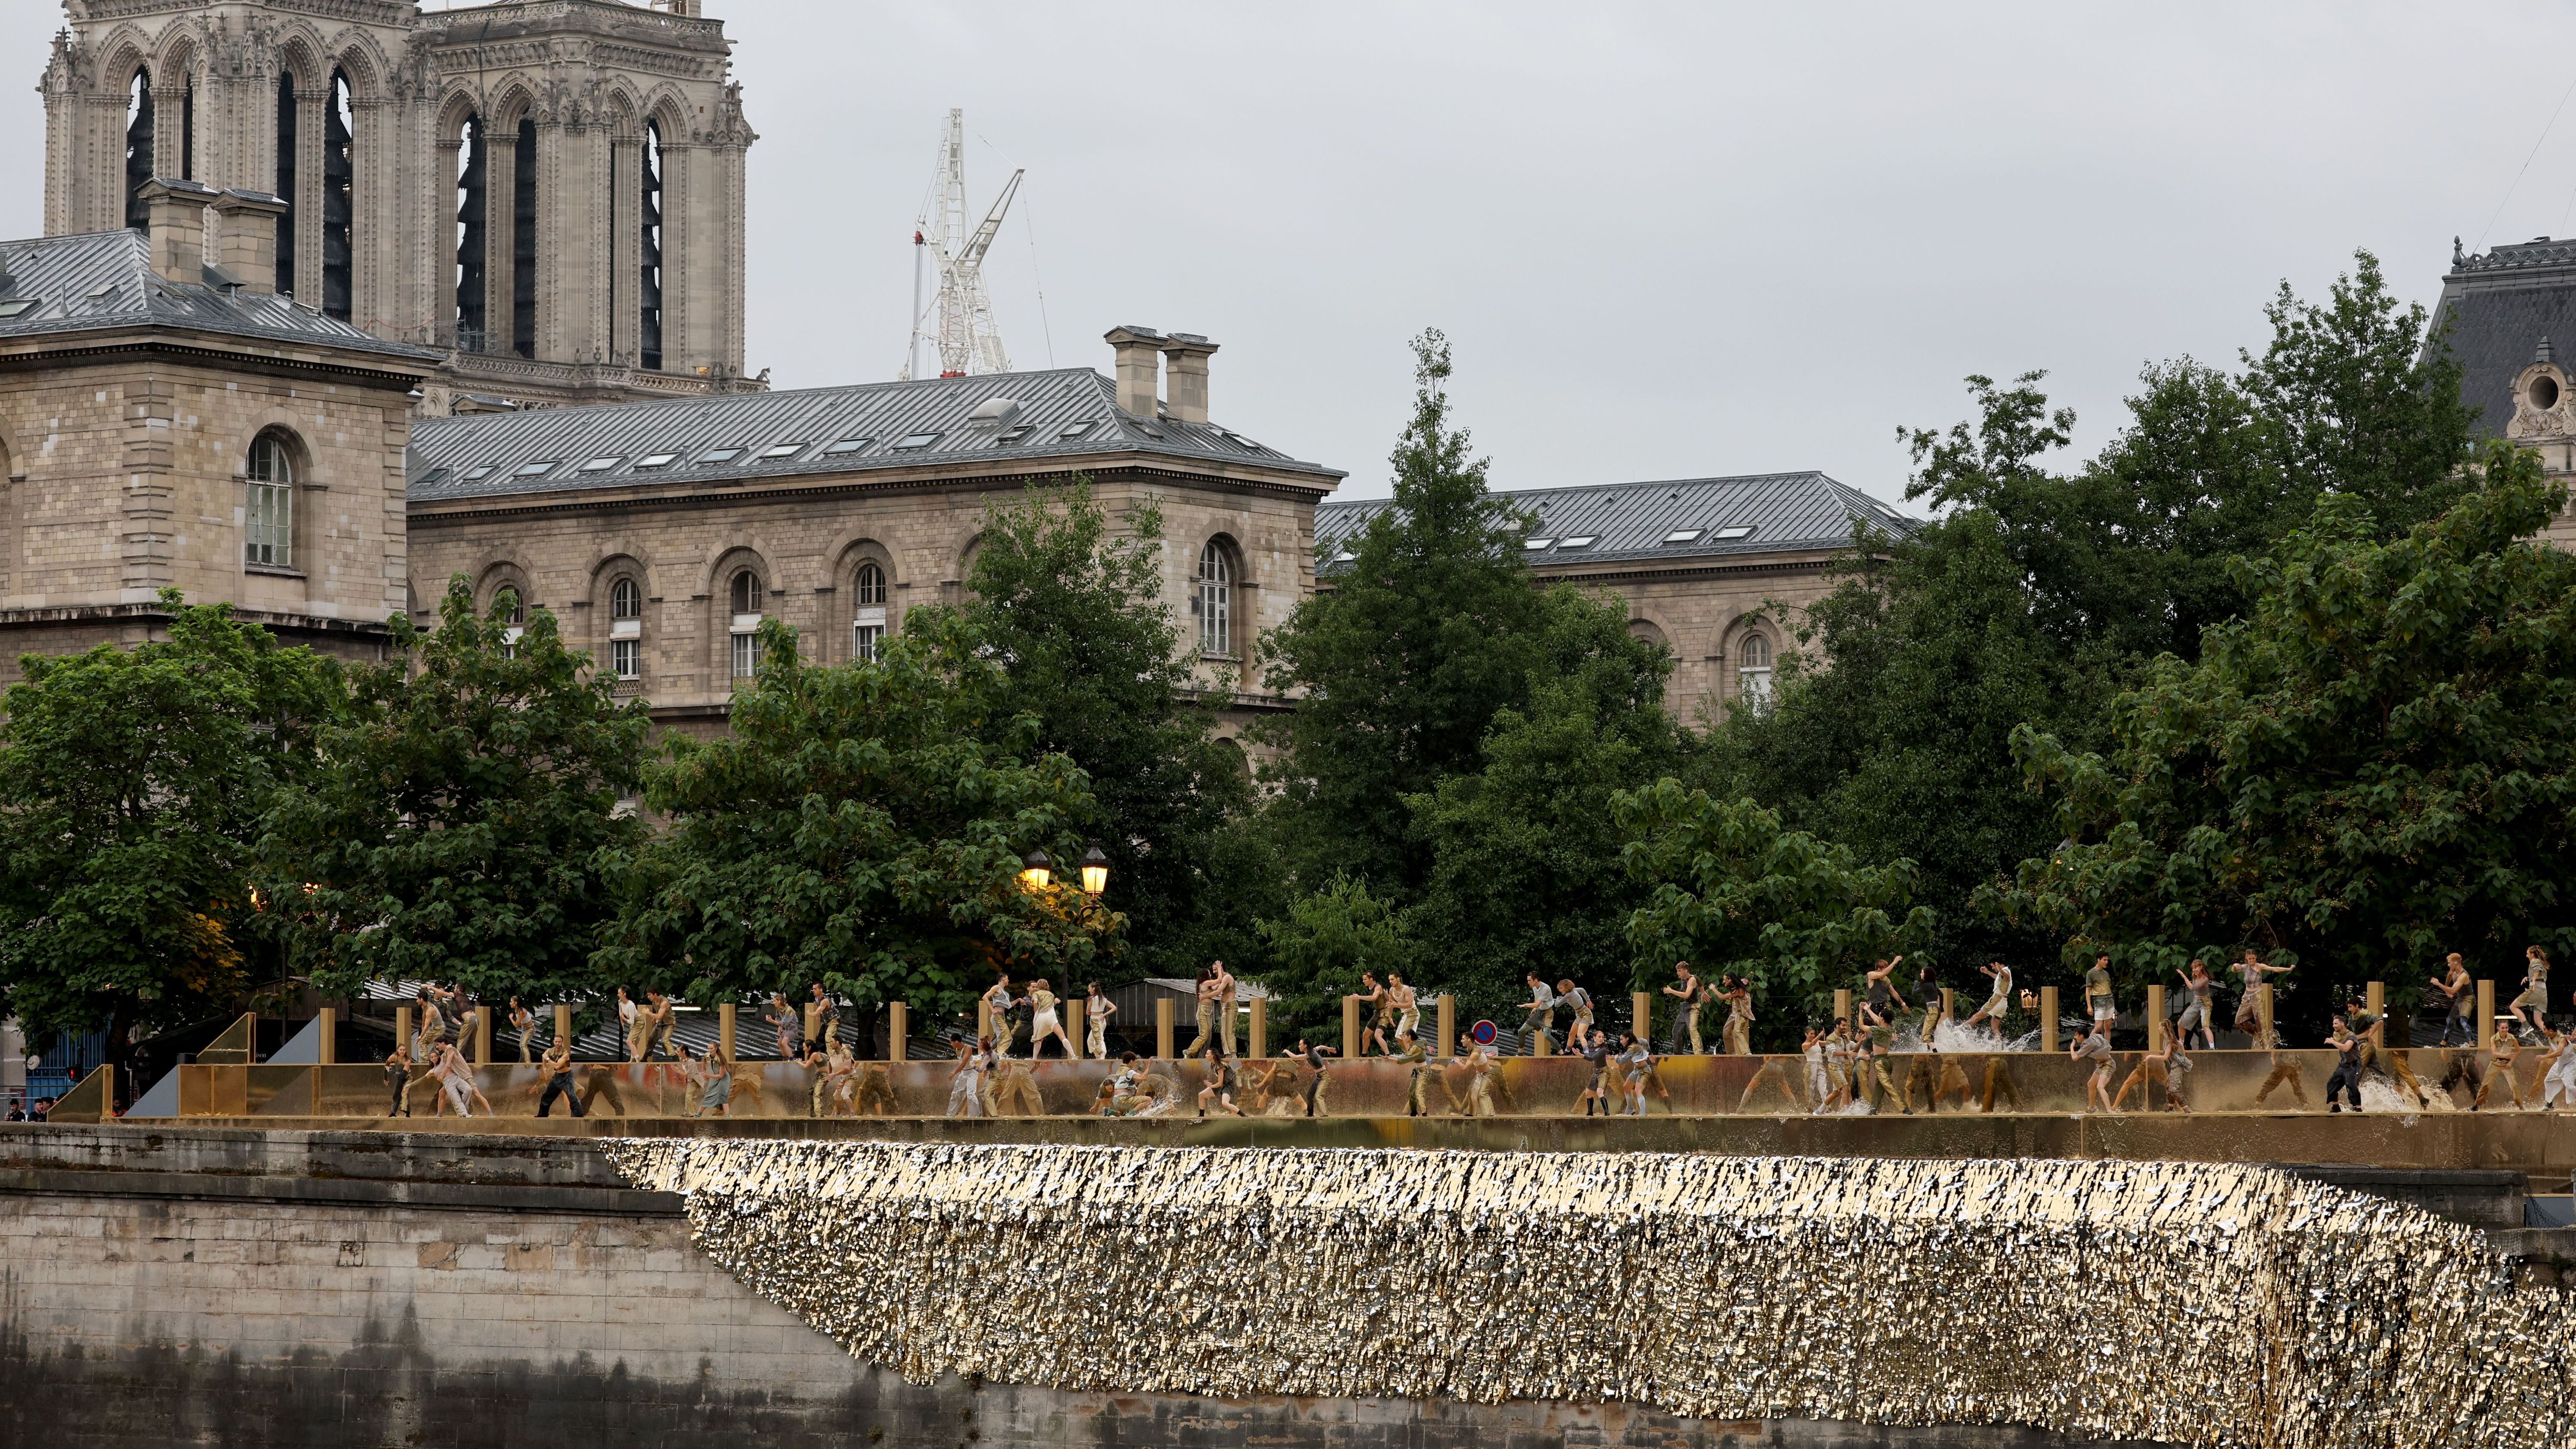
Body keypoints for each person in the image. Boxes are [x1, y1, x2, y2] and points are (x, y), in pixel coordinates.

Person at [2251, 1013, 2310, 1109]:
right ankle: (2305, 1104)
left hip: (2284, 1063)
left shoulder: (2279, 1031)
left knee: (2268, 1085)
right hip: (2292, 1063)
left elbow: (2274, 1045)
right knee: (2297, 1086)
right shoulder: (2293, 1031)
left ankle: (2258, 1105)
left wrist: (2273, 1058)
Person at [2230, 950, 2292, 1038]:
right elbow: (2234, 970)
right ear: (2246, 958)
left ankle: (2265, 1041)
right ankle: (2256, 1034)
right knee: (2239, 1020)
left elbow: (2275, 969)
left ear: (2256, 958)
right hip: (2247, 996)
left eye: (2253, 958)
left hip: (2257, 995)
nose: (2252, 961)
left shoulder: (2259, 967)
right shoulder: (2245, 967)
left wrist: (2289, 969)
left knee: (2260, 1021)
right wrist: (2234, 966)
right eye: (2250, 959)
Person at [2476, 1019, 2528, 1111]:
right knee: (2485, 1085)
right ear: (2498, 1028)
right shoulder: (2494, 1038)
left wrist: (2510, 1062)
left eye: (2506, 1028)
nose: (2505, 1030)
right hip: (2496, 1063)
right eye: (2503, 1028)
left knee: (2514, 1086)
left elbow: (2518, 1050)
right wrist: (2505, 1055)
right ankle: (2476, 1106)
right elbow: (2494, 1053)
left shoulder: (2512, 1038)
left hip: (2507, 1064)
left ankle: (2520, 1106)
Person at [2070, 1019, 2115, 1115]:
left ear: (2082, 1036)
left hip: (2108, 1064)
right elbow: (2097, 1029)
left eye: (2076, 1035)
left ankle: (2110, 1111)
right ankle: (2091, 1108)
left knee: (2100, 1086)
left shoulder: (2087, 1044)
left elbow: (2074, 1058)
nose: (2075, 1037)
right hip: (2101, 1065)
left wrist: (2071, 1048)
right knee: (2091, 1084)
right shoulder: (2092, 1036)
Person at [2430, 954, 2477, 1047]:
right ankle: (2444, 1043)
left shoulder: (2463, 976)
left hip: (2468, 998)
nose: (2448, 965)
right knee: (2450, 1020)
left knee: (2463, 1020)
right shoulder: (2454, 971)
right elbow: (2449, 975)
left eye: (2450, 963)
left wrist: (2438, 984)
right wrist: (2447, 988)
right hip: (2460, 998)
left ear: (2456, 963)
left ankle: (2472, 1044)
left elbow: (2453, 991)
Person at [2173, 960, 2217, 1052]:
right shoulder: (2194, 976)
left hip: (2205, 1003)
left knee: (2205, 1026)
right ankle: (2181, 1045)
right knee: (2180, 1024)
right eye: (2193, 968)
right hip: (2196, 1002)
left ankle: (2212, 1047)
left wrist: (2183, 976)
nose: (2194, 970)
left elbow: (2193, 988)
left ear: (2201, 967)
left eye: (2196, 968)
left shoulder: (2205, 979)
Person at [2323, 1016, 2365, 1113]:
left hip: (2354, 1065)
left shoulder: (2351, 1036)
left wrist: (2332, 1042)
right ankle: (2336, 1107)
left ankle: (2358, 1108)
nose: (2334, 1026)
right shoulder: (2336, 1034)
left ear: (2343, 1024)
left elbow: (2346, 1048)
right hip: (2344, 1064)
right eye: (2333, 1024)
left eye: (2336, 1024)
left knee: (2351, 1085)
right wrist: (2333, 1040)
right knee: (2332, 1084)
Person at [1026, 978, 1076, 1060]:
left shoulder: (1036, 994)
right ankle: (1073, 1056)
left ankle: (1034, 1058)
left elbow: (1035, 1003)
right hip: (1051, 1016)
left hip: (1041, 1017)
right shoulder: (1051, 994)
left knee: (1039, 1039)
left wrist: (1036, 1013)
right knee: (1062, 1037)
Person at [535, 1037, 583, 1118]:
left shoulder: (565, 1054)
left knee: (572, 1096)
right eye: (556, 1042)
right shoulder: (550, 1051)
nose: (557, 1043)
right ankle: (542, 1115)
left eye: (559, 1042)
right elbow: (544, 1056)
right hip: (557, 1076)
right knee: (546, 1095)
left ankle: (578, 1116)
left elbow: (557, 1066)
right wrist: (544, 1067)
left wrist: (548, 1059)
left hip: (567, 1076)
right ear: (554, 1042)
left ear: (562, 1043)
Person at [1662, 962, 1704, 1055]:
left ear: (1686, 970)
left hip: (1693, 1008)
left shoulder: (1691, 980)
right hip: (1685, 1007)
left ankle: (1699, 1053)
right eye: (1677, 971)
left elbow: (1686, 995)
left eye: (1680, 971)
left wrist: (1672, 991)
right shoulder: (1685, 978)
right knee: (1676, 1030)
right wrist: (1703, 993)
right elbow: (1700, 982)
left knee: (1692, 1029)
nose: (1678, 973)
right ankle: (1678, 1053)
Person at [1289, 1037, 1337, 1117]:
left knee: (1318, 1096)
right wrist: (1327, 1049)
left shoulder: (1310, 1055)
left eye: (1300, 1045)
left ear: (1305, 1046)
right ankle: (1310, 1114)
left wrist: (1286, 1051)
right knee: (1309, 1095)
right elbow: (1321, 1046)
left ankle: (1324, 1116)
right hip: (1319, 1077)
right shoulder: (1313, 1050)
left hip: (1325, 1077)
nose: (1299, 1046)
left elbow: (1294, 1057)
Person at [1964, 961, 2013, 1037]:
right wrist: (1987, 972)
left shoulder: (2005, 971)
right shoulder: (2005, 972)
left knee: (1976, 1017)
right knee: (1994, 1028)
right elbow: (1999, 978)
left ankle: (1957, 1029)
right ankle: (2000, 1048)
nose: (1993, 968)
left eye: (1993, 966)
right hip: (2003, 1003)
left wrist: (2000, 969)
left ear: (1997, 964)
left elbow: (2007, 977)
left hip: (1997, 1000)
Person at [945, 1037, 991, 1118]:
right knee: (956, 1093)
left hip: (971, 1073)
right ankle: (950, 1115)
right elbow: (962, 1065)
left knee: (970, 1094)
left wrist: (954, 1073)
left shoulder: (968, 1048)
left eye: (951, 1042)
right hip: (964, 1073)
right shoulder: (957, 1050)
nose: (951, 1045)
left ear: (956, 1041)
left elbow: (963, 1063)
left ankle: (975, 1116)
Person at [2513, 946, 2552, 1039]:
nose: (2527, 956)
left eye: (2528, 954)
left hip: (2535, 990)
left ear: (2532, 955)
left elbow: (2537, 970)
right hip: (2543, 993)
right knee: (2538, 1021)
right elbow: (2540, 975)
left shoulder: (2535, 961)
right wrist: (2529, 978)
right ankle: (2557, 1037)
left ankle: (2526, 1027)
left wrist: (2533, 981)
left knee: (2513, 1007)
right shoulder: (2541, 962)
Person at [1182, 965, 1222, 1058]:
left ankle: (1202, 1056)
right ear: (1205, 976)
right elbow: (1219, 980)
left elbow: (1217, 987)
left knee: (1209, 1037)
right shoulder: (1205, 983)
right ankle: (1189, 1052)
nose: (1211, 974)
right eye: (1209, 973)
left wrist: (1223, 977)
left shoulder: (1208, 985)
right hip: (1203, 1012)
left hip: (1209, 1012)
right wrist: (1219, 969)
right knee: (1204, 1035)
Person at [1394, 1030, 1436, 1117]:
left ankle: (1424, 1113)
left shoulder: (1415, 1048)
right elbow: (1424, 1041)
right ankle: (1414, 1112)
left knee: (1419, 1093)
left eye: (1405, 1036)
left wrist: (1389, 1059)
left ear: (1410, 1037)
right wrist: (1427, 1047)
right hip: (1417, 1070)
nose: (1403, 1038)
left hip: (1424, 1071)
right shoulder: (1418, 1042)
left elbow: (1406, 1058)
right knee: (1411, 1091)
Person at [1578, 1032, 1618, 1116]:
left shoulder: (1603, 1049)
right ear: (1594, 1037)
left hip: (1604, 1072)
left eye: (1602, 1037)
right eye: (1599, 1037)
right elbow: (1587, 1053)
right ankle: (1590, 1113)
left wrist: (1580, 1055)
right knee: (1588, 1094)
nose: (1601, 1039)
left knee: (1600, 1092)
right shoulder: (1590, 1046)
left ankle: (1607, 1114)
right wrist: (1580, 1052)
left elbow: (1591, 1058)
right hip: (1596, 1071)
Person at [1519, 974, 1557, 1055]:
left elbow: (1537, 1004)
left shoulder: (1545, 988)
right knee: (1521, 1031)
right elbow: (1539, 1002)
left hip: (1547, 1013)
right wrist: (1536, 1008)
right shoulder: (1534, 987)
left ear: (1536, 980)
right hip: (1539, 1011)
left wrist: (1526, 1005)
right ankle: (1520, 1053)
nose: (1528, 982)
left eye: (1530, 980)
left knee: (1547, 1035)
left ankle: (1562, 1053)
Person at [1358, 971, 1393, 1056]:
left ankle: (1388, 1055)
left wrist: (1359, 997)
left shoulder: (1378, 988)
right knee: (1366, 1034)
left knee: (1377, 1035)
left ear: (1371, 979)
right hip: (1377, 1013)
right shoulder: (1375, 987)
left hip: (1384, 1014)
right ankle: (1364, 1056)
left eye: (1365, 979)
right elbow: (1389, 998)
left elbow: (1374, 998)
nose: (1364, 981)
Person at [1719, 976, 1754, 1056]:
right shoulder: (1735, 989)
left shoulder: (1740, 991)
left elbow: (1722, 997)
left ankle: (1746, 1052)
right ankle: (1731, 1053)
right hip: (1735, 1013)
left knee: (1737, 1031)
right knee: (1726, 1031)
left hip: (1743, 1013)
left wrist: (1713, 989)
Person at [1211, 961, 1241, 1058]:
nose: (1214, 972)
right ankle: (1227, 1054)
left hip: (1231, 1006)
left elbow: (1219, 991)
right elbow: (1213, 988)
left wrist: (1205, 996)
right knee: (1223, 1032)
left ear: (1221, 968)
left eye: (1216, 969)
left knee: (1229, 1031)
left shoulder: (1227, 977)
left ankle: (1233, 1054)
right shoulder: (1221, 979)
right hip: (1224, 1007)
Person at [2082, 955, 2116, 1036]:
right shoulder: (2091, 973)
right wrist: (2089, 1006)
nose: (2107, 962)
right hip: (2099, 1000)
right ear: (2099, 960)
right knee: (2098, 1027)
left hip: (2109, 999)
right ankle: (2088, 1045)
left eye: (2107, 960)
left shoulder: (2106, 973)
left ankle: (2107, 1047)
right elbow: (2088, 990)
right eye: (2104, 960)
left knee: (2108, 1027)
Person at [1559, 980, 1596, 1052]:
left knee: (1580, 1034)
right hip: (1579, 1015)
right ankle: (1567, 1052)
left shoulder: (1568, 995)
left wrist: (1557, 998)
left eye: (1561, 988)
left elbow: (1557, 1005)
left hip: (1585, 1014)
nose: (1560, 990)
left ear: (1566, 988)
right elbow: (1582, 990)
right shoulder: (1573, 990)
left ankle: (1587, 1053)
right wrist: (1588, 1000)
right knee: (1572, 1034)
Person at [1084, 982, 1116, 1060]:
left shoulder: (1091, 999)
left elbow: (1087, 1012)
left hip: (1096, 1020)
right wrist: (1104, 1014)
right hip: (1100, 1020)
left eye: (1090, 988)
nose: (1089, 990)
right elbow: (1114, 1008)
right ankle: (1098, 1056)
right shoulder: (1103, 999)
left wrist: (1103, 1015)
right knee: (1090, 1041)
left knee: (1099, 1038)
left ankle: (1102, 1054)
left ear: (1094, 989)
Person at [765, 992, 800, 1061]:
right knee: (779, 1043)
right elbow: (778, 1018)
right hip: (786, 1029)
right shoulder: (779, 1009)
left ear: (779, 1001)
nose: (773, 1003)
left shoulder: (789, 1010)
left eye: (775, 1001)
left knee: (784, 1043)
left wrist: (771, 1021)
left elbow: (784, 1023)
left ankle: (792, 1058)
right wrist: (780, 1027)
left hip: (792, 1029)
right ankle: (786, 1058)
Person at [1388, 972, 1420, 1046]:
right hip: (1406, 1014)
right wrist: (1390, 1017)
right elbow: (1390, 1005)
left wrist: (1397, 1005)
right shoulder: (1391, 990)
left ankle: (1412, 1054)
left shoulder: (1406, 989)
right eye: (1390, 980)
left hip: (1413, 1013)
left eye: (1392, 979)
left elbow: (1409, 1005)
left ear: (1398, 979)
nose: (1391, 982)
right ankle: (1407, 1053)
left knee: (1405, 1035)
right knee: (1398, 1037)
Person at [382, 1049, 412, 1118]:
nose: (402, 1051)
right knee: (396, 1095)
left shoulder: (407, 1060)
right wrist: (385, 1078)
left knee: (405, 1093)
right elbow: (386, 1066)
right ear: (398, 1050)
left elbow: (403, 1074)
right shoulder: (393, 1057)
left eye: (404, 1050)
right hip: (400, 1078)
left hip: (408, 1078)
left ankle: (407, 1113)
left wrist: (391, 1071)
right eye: (401, 1050)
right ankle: (393, 1113)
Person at [619, 987, 646, 1063]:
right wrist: (622, 1022)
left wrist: (623, 1018)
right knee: (633, 1042)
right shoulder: (620, 1002)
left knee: (629, 1041)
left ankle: (638, 1060)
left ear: (625, 994)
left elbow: (631, 1022)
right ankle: (632, 1059)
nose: (618, 995)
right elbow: (620, 1012)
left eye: (620, 993)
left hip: (638, 1022)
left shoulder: (630, 1004)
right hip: (634, 1022)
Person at [509, 997, 537, 1064]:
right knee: (521, 1045)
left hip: (530, 1029)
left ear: (516, 1003)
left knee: (523, 1045)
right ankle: (521, 1062)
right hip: (525, 1029)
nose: (510, 1003)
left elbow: (516, 1025)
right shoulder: (517, 1010)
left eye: (511, 1002)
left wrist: (511, 1019)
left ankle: (528, 1062)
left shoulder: (521, 1011)